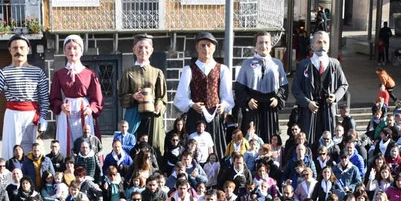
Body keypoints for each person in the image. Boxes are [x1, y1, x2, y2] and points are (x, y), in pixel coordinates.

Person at [174, 32, 235, 160]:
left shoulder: (222, 69)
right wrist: (192, 104)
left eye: (209, 45)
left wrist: (223, 105)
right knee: (193, 152)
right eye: (202, 45)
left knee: (216, 151)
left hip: (214, 117)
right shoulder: (189, 70)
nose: (205, 49)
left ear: (214, 48)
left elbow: (227, 95)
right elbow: (180, 97)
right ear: (197, 48)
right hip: (196, 116)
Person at [0, 35, 49, 158]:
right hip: (13, 114)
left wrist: (43, 118)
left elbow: (44, 97)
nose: (18, 51)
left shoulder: (38, 72)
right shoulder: (3, 72)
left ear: (28, 49)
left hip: (32, 114)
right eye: (15, 48)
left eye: (22, 47)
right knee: (12, 148)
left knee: (34, 149)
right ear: (10, 50)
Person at [292, 31, 349, 144]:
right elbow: (295, 88)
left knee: (328, 141)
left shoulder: (335, 64)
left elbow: (343, 85)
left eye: (325, 42)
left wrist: (335, 97)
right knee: (309, 141)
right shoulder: (304, 64)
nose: (322, 45)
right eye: (319, 42)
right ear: (312, 45)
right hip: (310, 111)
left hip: (328, 110)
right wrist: (307, 102)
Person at [51, 34, 104, 154]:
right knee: (66, 140)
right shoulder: (59, 74)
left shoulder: (90, 74)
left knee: (85, 139)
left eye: (75, 48)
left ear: (81, 50)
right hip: (67, 111)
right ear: (64, 51)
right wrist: (61, 106)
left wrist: (91, 108)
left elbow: (97, 97)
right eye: (69, 48)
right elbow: (54, 97)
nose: (72, 51)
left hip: (83, 110)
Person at [235, 32, 289, 145]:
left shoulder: (277, 64)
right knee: (252, 139)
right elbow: (239, 87)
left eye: (266, 42)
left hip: (270, 106)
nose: (263, 45)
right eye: (260, 42)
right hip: (253, 105)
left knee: (270, 138)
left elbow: (283, 86)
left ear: (271, 45)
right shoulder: (247, 64)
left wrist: (278, 98)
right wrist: (247, 100)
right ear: (255, 45)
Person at [118, 35, 167, 158]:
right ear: (134, 50)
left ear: (151, 50)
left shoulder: (157, 73)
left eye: (146, 47)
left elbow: (162, 97)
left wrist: (158, 106)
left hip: (152, 116)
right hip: (134, 113)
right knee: (131, 146)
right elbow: (122, 97)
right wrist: (133, 97)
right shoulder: (128, 73)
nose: (143, 51)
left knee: (155, 145)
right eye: (139, 47)